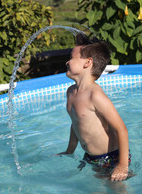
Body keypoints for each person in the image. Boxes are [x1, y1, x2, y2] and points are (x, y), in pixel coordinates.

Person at [57, 33, 130, 182]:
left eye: (72, 57)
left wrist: (122, 165)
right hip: (91, 157)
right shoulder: (71, 92)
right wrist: (69, 151)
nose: (67, 61)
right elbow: (76, 123)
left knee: (117, 190)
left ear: (87, 62)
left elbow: (121, 129)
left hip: (112, 158)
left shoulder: (95, 96)